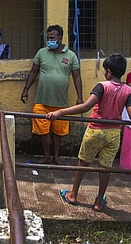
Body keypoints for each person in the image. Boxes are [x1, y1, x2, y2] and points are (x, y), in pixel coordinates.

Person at [46, 53, 131, 211]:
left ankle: (73, 194)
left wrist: (60, 112)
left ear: (108, 72)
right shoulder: (129, 90)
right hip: (113, 134)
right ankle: (98, 201)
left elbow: (85, 107)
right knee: (105, 167)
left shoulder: (102, 86)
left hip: (95, 130)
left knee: (83, 162)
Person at [21, 24, 83, 165]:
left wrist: (80, 98)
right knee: (43, 132)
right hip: (42, 101)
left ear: (60, 38)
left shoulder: (71, 56)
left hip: (61, 104)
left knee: (58, 132)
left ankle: (56, 156)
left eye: (52, 38)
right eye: (48, 38)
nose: (50, 40)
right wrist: (26, 89)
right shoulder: (41, 53)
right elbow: (33, 72)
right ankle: (46, 156)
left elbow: (77, 77)